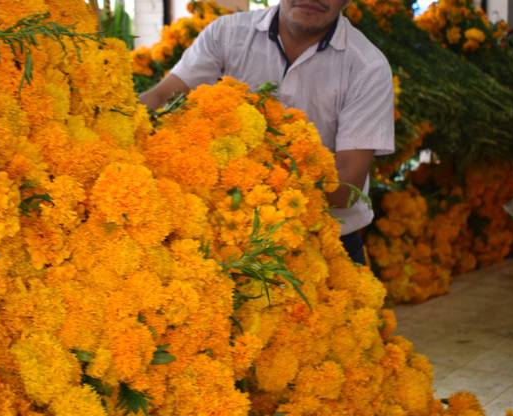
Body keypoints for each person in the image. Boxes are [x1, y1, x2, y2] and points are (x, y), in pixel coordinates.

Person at [140, 0, 395, 265]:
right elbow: (161, 97)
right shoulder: (227, 34)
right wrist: (117, 111)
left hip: (321, 243)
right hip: (227, 237)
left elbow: (345, 189)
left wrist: (242, 181)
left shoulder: (368, 68)